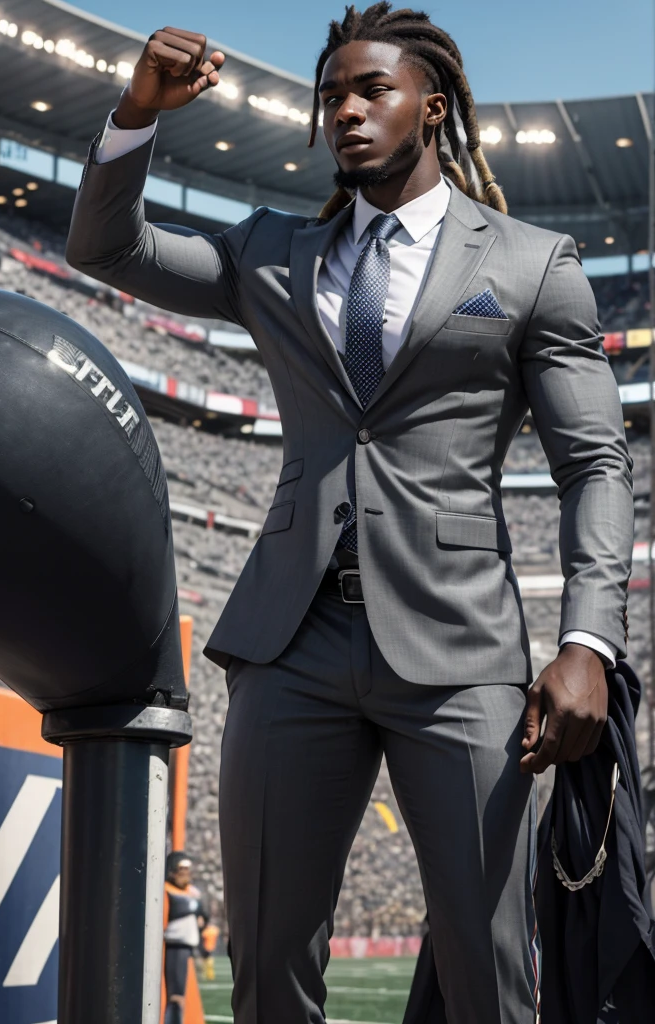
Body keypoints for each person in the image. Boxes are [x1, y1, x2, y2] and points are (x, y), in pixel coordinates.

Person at [65, 5, 634, 1021]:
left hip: (460, 652)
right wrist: (136, 113)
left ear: (434, 104)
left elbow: (593, 462)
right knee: (270, 958)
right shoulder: (269, 252)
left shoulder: (526, 263)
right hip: (292, 641)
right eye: (331, 94)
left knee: (487, 965)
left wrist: (586, 636)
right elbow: (107, 248)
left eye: (372, 88)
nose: (347, 110)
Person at [163, 852, 209, 1024]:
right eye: (182, 868)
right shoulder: (167, 891)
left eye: (188, 868)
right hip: (174, 946)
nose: (186, 872)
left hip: (187, 947)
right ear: (173, 870)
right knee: (175, 996)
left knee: (180, 994)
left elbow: (204, 916)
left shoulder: (193, 892)